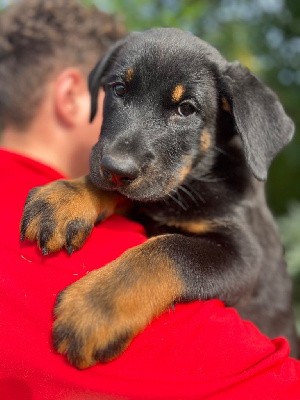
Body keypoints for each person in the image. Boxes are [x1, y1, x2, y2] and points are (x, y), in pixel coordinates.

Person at [0, 1, 300, 399]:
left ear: (229, 116)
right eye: (120, 91)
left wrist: (134, 280)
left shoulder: (226, 193)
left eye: (185, 107)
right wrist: (93, 190)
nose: (120, 155)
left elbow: (238, 259)